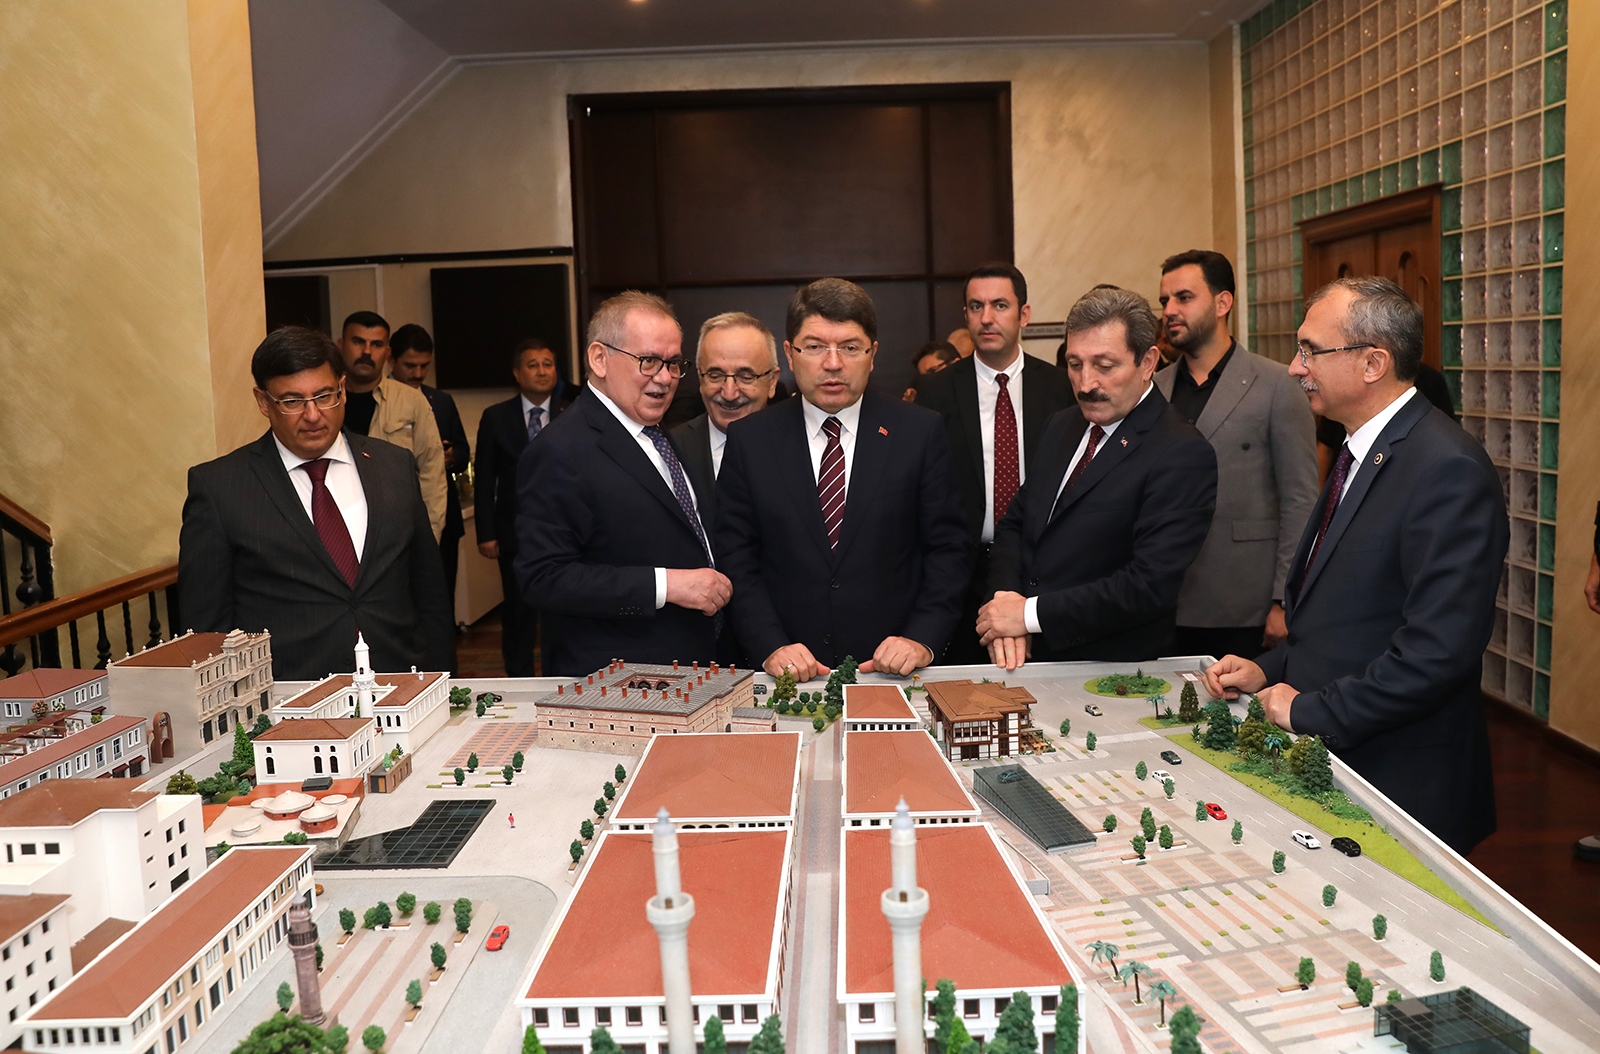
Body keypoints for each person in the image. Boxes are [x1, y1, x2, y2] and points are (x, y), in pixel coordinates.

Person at [1203, 276, 1509, 855]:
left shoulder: (1448, 470)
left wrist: (1307, 710)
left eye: (1310, 351)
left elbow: (1436, 655)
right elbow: (1345, 614)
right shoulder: (1357, 450)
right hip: (1339, 763)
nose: (1295, 367)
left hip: (1402, 780)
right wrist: (1269, 669)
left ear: (1373, 363)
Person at [717, 279, 971, 681]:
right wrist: (769, 645)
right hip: (786, 672)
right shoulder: (750, 440)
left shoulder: (918, 432)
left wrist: (921, 639)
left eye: (850, 348)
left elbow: (949, 550)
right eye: (815, 346)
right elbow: (736, 557)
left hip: (892, 670)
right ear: (790, 354)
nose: (833, 363)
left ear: (872, 355)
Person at [178, 326, 453, 681]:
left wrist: (445, 683)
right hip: (287, 697)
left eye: (324, 396)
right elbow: (207, 631)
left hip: (399, 683)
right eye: (292, 402)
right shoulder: (221, 487)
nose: (312, 414)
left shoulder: (394, 465)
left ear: (342, 389)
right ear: (263, 402)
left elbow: (430, 592)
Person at [979, 286, 1218, 669]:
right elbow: (1016, 524)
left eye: (1105, 367)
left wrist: (1028, 615)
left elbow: (1147, 585)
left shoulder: (1181, 452)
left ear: (1147, 362)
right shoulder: (1062, 425)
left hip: (1113, 670)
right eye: (1074, 365)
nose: (1086, 383)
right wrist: (1005, 602)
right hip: (1027, 657)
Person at [515, 292, 729, 675]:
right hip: (617, 682)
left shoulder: (659, 434)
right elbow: (543, 578)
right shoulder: (560, 449)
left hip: (687, 667)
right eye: (648, 361)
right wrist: (665, 586)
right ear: (599, 358)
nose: (665, 378)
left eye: (673, 364)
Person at [1154, 250, 1318, 660]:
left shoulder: (1277, 385)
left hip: (1246, 605)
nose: (1169, 311)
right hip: (1163, 601)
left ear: (1222, 302)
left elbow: (1300, 500)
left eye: (1184, 297)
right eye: (1165, 301)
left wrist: (1284, 599)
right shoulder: (1153, 389)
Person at [916, 263, 1076, 663]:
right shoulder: (935, 392)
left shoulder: (1061, 388)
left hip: (1043, 568)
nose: (986, 318)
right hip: (960, 572)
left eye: (1000, 305)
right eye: (976, 306)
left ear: (1024, 314)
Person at [474, 339, 574, 676]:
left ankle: (562, 678)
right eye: (533, 365)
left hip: (566, 533)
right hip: (513, 534)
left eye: (548, 364)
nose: (542, 371)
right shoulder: (495, 417)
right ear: (517, 373)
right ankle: (519, 679)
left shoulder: (572, 413)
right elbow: (485, 478)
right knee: (518, 613)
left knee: (562, 611)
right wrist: (485, 532)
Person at [336, 311, 448, 541]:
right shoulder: (323, 401)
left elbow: (432, 474)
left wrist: (430, 539)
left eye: (376, 344)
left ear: (387, 353)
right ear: (340, 346)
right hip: (339, 528)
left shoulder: (412, 401)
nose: (367, 352)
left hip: (398, 533)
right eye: (358, 342)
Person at [672, 313, 780, 529]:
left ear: (772, 382)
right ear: (700, 378)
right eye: (715, 375)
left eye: (746, 376)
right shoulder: (671, 450)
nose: (729, 393)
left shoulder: (801, 448)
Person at [390, 324, 471, 616]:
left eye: (424, 366)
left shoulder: (441, 401)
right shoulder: (379, 401)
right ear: (391, 360)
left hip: (442, 515)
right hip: (396, 513)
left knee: (441, 598)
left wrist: (449, 456)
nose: (418, 373)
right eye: (410, 365)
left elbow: (463, 453)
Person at [1316, 360, 1455, 483]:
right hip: (1342, 479)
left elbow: (1444, 438)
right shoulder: (1345, 384)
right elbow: (1325, 444)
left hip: (1401, 481)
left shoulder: (1431, 380)